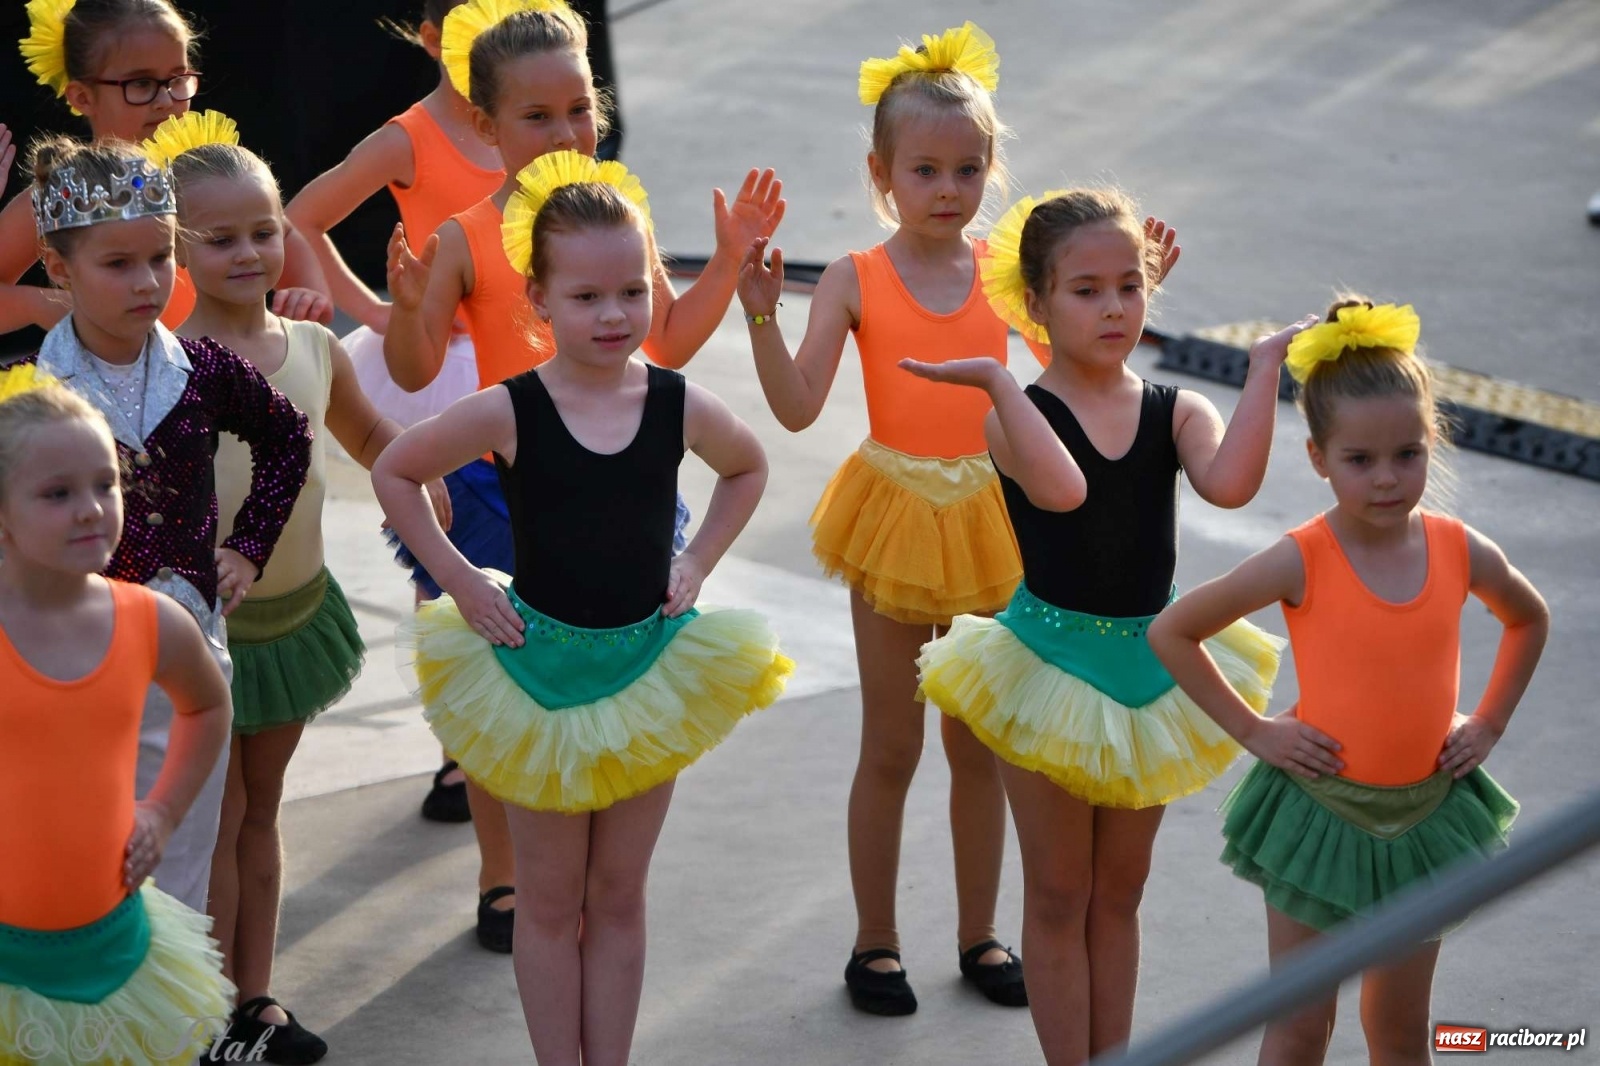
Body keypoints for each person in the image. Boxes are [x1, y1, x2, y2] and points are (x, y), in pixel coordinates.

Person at [736, 21, 1172, 1015]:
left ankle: (981, 934)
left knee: (983, 749)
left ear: (990, 172)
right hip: (892, 512)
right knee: (891, 744)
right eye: (924, 168)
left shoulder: (1008, 273)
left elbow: (1083, 351)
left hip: (992, 516)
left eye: (968, 168)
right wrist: (760, 313)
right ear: (880, 172)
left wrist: (1133, 294)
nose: (947, 188)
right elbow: (799, 404)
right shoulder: (854, 276)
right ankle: (875, 940)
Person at [379, 0, 783, 953]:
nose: (566, 134)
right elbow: (411, 366)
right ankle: (504, 876)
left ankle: (594, 864)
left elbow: (673, 338)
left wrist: (726, 262)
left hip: (621, 486)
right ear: (485, 125)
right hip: (497, 492)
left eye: (579, 110)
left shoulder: (618, 214)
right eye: (538, 116)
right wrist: (403, 306)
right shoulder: (468, 233)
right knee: (508, 709)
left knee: (614, 679)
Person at [910, 187, 1287, 1064]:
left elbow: (1231, 485)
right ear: (1035, 304)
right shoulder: (1013, 413)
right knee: (1058, 892)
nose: (1114, 307)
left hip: (1151, 669)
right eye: (1086, 290)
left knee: (1119, 893)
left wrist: (1264, 368)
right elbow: (1065, 491)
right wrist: (1004, 379)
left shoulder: (1177, 411)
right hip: (1044, 668)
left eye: (1130, 285)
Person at [1149, 298, 1548, 1066]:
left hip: (1427, 817)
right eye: (1360, 461)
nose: (1388, 479)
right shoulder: (1303, 556)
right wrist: (1255, 730)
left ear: (1432, 445)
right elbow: (1174, 629)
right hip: (1317, 815)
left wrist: (1490, 721)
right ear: (1319, 459)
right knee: (1301, 1028)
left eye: (1408, 454)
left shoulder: (1459, 549)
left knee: (1399, 1032)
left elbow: (1528, 618)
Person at [155, 110, 448, 1064]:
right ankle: (212, 1009)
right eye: (221, 237)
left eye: (264, 229)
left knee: (262, 811)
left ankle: (257, 992)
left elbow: (370, 442)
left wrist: (426, 466)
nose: (249, 251)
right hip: (205, 636)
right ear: (175, 249)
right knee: (223, 813)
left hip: (292, 620)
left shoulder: (313, 349)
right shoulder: (167, 369)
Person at [23, 134, 312, 916]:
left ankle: (179, 1028)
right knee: (75, 862)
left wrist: (248, 549)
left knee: (182, 866)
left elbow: (289, 439)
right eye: (117, 265)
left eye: (160, 257)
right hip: (67, 664)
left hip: (187, 655)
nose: (148, 281)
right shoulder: (31, 397)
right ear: (59, 269)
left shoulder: (205, 368)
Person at [285, 0, 504, 827]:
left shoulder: (535, 124)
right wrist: (377, 311)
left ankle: (528, 718)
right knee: (446, 566)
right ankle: (459, 753)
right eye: (469, 25)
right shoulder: (409, 135)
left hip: (530, 357)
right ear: (430, 38)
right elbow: (300, 213)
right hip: (441, 370)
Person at [0, 367, 234, 1066]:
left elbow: (208, 703)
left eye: (105, 484)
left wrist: (161, 812)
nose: (91, 509)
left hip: (120, 955)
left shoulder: (151, 622)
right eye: (57, 493)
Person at [2, 0, 331, 335]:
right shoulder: (68, 189)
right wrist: (41, 304)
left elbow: (282, 234)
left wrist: (310, 297)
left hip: (229, 373)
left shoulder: (206, 168)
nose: (165, 101)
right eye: (141, 84)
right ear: (82, 97)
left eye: (177, 79)